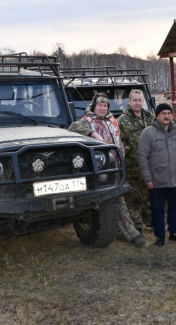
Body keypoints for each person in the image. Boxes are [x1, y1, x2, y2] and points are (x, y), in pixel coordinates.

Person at [69, 92, 146, 248]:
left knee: (118, 201)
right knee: (118, 201)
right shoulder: (87, 121)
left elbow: (118, 142)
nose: (103, 108)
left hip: (117, 167)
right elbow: (73, 127)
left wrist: (122, 159)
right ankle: (133, 235)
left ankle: (122, 229)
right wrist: (92, 133)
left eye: (105, 105)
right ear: (94, 106)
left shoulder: (113, 121)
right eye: (100, 105)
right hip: (101, 171)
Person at [138, 103, 176, 246]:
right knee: (157, 209)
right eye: (163, 113)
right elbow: (142, 157)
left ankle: (174, 233)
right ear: (157, 116)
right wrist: (148, 178)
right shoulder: (148, 133)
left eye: (169, 113)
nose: (166, 116)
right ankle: (160, 236)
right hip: (157, 180)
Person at [117, 89, 155, 232]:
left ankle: (150, 220)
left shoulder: (150, 118)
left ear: (143, 101)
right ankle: (137, 226)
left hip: (150, 165)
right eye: (135, 100)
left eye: (140, 100)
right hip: (132, 166)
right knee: (134, 198)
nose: (138, 103)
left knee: (149, 195)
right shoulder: (122, 120)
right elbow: (120, 142)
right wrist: (132, 151)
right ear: (129, 101)